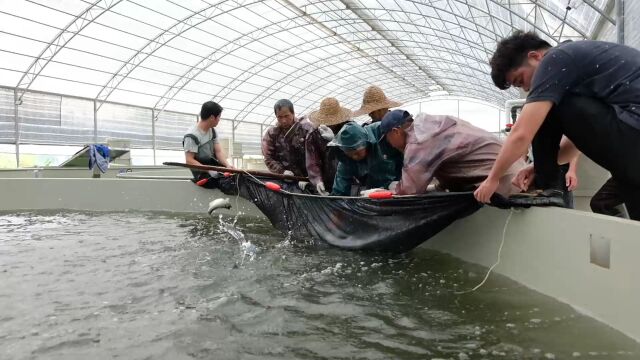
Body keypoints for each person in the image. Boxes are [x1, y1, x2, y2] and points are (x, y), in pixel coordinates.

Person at [474, 31, 640, 220]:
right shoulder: (581, 67)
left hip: (634, 134)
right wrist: (539, 166)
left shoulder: (556, 59)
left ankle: (549, 188)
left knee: (545, 104)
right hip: (632, 152)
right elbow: (579, 141)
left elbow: (521, 134)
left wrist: (492, 179)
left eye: (521, 80)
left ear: (535, 56)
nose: (527, 88)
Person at [380, 109, 525, 196]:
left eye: (387, 138)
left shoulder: (418, 141)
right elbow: (455, 164)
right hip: (520, 173)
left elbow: (409, 191)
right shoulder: (435, 125)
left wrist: (387, 191)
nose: (389, 144)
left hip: (505, 184)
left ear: (396, 132)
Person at [329, 121, 403, 196]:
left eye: (357, 153)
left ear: (366, 144)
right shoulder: (344, 158)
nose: (354, 157)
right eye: (350, 155)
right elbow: (340, 185)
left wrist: (402, 182)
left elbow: (407, 158)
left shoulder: (383, 133)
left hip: (398, 184)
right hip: (373, 190)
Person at [305, 97, 352, 195]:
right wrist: (317, 180)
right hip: (328, 183)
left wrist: (336, 140)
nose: (331, 123)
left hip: (352, 181)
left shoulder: (349, 128)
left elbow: (356, 154)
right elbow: (312, 161)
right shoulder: (314, 134)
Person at [183, 101, 232, 185]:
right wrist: (208, 170)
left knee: (232, 177)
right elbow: (189, 160)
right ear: (212, 117)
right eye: (219, 117)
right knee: (218, 182)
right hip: (199, 171)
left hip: (212, 164)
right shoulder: (192, 136)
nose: (219, 120)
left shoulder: (212, 131)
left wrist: (228, 166)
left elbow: (218, 152)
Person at [261, 99, 314, 177]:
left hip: (308, 177)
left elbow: (316, 154)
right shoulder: (272, 133)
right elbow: (268, 157)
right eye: (279, 117)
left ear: (293, 113)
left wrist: (313, 175)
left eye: (286, 116)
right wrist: (282, 171)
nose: (284, 121)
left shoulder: (306, 128)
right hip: (286, 179)